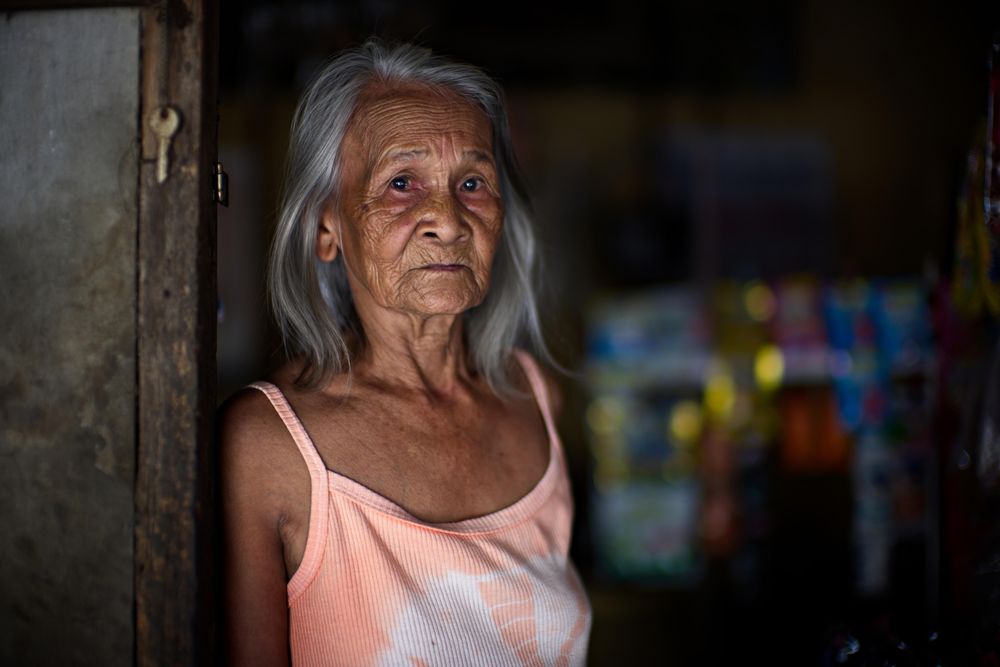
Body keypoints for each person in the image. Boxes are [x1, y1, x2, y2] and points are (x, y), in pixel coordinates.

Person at [219, 40, 592, 666]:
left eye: (471, 183)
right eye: (401, 183)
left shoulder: (534, 400)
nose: (448, 219)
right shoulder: (267, 447)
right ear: (327, 227)